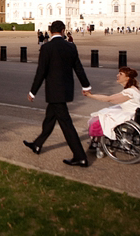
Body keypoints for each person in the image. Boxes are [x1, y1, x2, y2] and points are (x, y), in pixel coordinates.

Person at [23, 20, 91, 167]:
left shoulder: (47, 48)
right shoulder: (71, 46)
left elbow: (41, 72)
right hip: (65, 90)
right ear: (62, 31)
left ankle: (80, 156)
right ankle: (37, 144)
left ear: (50, 31)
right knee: (49, 119)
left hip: (54, 92)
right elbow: (78, 68)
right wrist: (86, 85)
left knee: (66, 124)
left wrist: (32, 92)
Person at [83, 67, 140, 150]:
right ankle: (96, 140)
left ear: (127, 78)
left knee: (100, 119)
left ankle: (96, 142)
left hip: (129, 115)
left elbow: (109, 99)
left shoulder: (129, 92)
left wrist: (90, 96)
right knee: (105, 112)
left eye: (120, 74)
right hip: (133, 113)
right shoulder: (134, 89)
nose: (117, 75)